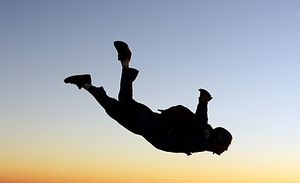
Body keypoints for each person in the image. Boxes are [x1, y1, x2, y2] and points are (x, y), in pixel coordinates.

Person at [64, 41, 232, 156]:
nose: (224, 151)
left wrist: (203, 102)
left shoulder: (205, 139)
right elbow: (200, 123)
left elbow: (199, 122)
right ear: (218, 140)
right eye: (224, 147)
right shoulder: (204, 139)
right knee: (124, 103)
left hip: (151, 129)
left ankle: (87, 84)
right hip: (153, 127)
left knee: (114, 109)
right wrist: (203, 103)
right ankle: (125, 62)